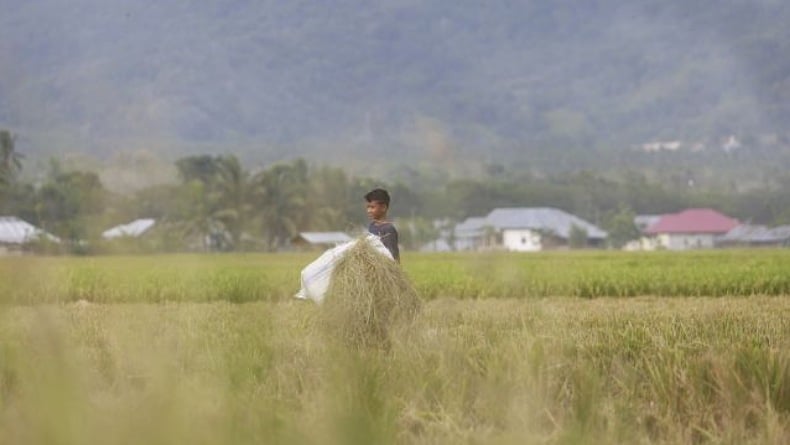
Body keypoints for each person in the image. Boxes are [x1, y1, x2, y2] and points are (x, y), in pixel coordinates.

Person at [365, 188, 400, 262]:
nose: (369, 211)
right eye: (368, 207)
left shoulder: (388, 229)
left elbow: (393, 255)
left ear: (383, 207)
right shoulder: (371, 226)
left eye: (372, 207)